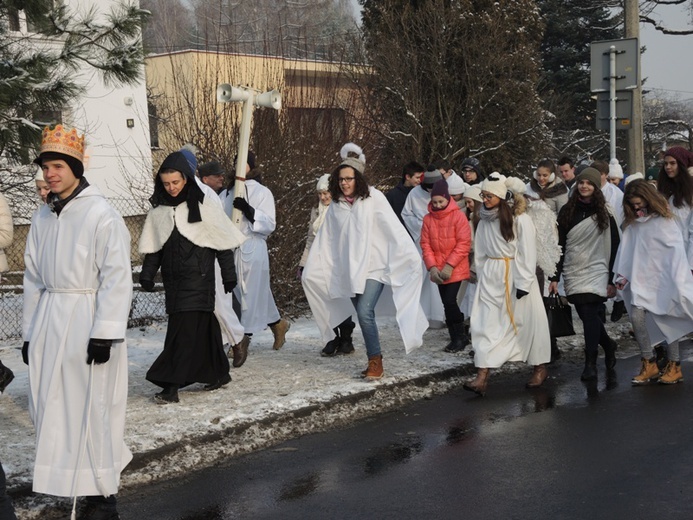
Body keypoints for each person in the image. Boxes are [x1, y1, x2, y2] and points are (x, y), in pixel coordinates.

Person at [23, 124, 132, 519]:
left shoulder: (102, 215)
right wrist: (30, 332)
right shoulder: (43, 216)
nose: (50, 174)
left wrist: (104, 333)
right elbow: (33, 278)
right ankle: (71, 481)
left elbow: (117, 277)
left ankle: (102, 493)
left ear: (74, 167)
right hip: (51, 319)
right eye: (45, 167)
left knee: (92, 405)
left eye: (57, 166)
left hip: (88, 321)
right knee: (53, 404)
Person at [302, 143, 428, 379]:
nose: (344, 183)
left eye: (349, 179)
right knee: (361, 313)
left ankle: (375, 361)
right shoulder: (336, 207)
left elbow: (392, 229)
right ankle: (371, 358)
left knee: (364, 312)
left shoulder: (374, 199)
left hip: (374, 267)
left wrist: (408, 255)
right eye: (340, 179)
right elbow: (327, 241)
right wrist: (312, 267)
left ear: (358, 179)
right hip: (350, 270)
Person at [139, 151, 245, 404]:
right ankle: (218, 373)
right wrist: (147, 275)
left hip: (200, 278)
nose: (171, 187)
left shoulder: (204, 206)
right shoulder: (160, 211)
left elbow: (221, 243)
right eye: (166, 183)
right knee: (205, 330)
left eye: (175, 182)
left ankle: (171, 385)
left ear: (186, 179)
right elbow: (156, 246)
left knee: (181, 334)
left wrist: (229, 276)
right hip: (174, 282)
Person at [463, 173, 550, 396]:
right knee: (485, 324)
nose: (486, 199)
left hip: (515, 275)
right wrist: (482, 274)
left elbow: (527, 253)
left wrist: (523, 282)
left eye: (490, 195)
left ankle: (539, 366)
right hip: (492, 277)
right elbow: (480, 251)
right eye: (484, 195)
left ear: (502, 196)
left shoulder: (520, 220)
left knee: (526, 322)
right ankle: (482, 377)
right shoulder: (483, 220)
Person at [615, 180, 693, 385]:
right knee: (637, 317)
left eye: (639, 203)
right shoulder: (633, 225)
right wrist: (622, 275)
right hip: (641, 280)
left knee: (668, 319)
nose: (636, 208)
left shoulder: (665, 221)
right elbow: (627, 252)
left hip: (664, 280)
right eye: (633, 204)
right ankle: (648, 362)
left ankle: (675, 365)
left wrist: (678, 280)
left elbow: (674, 253)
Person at [548, 167, 620, 381]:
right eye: (581, 182)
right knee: (585, 312)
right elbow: (558, 245)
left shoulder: (606, 212)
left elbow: (615, 245)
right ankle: (608, 344)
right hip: (574, 268)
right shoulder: (567, 211)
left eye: (589, 183)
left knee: (590, 313)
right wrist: (555, 276)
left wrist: (611, 278)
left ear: (596, 187)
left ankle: (590, 363)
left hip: (598, 268)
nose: (584, 186)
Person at [221, 151, 291, 350]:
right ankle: (278, 324)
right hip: (232, 248)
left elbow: (269, 223)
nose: (239, 167)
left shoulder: (261, 192)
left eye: (243, 163)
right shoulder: (227, 192)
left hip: (252, 246)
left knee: (249, 293)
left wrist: (249, 211)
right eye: (236, 163)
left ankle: (242, 340)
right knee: (246, 292)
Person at [299, 173, 356, 356]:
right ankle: (332, 337)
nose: (323, 197)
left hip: (336, 262)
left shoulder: (341, 209)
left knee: (340, 298)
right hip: (318, 261)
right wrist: (303, 263)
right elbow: (310, 238)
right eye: (320, 194)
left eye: (326, 193)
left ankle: (346, 338)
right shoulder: (316, 211)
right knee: (323, 300)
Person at [420, 179, 472, 352]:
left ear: (447, 198)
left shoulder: (458, 216)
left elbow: (464, 243)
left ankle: (458, 337)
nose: (438, 205)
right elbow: (425, 244)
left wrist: (449, 265)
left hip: (454, 267)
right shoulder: (428, 219)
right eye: (434, 202)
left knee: (450, 301)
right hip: (438, 269)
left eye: (440, 201)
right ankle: (459, 332)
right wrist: (432, 267)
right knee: (446, 303)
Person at [401, 166, 446, 327]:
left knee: (438, 279)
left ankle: (438, 316)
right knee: (419, 277)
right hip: (421, 241)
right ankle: (418, 315)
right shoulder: (414, 193)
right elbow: (406, 214)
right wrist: (422, 226)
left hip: (441, 240)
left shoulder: (443, 191)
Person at [384, 161, 425, 226]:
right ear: (408, 177)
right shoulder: (392, 195)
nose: (420, 180)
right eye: (417, 177)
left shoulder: (422, 193)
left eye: (421, 177)